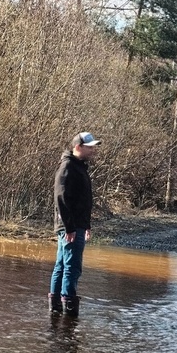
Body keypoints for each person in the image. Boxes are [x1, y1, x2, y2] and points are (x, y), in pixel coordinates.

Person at [48, 131, 101, 317]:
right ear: (78, 147)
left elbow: (82, 201)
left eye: (94, 147)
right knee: (72, 268)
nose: (93, 150)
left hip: (76, 225)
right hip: (70, 227)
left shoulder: (79, 166)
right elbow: (61, 199)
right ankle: (68, 312)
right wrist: (69, 228)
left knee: (62, 266)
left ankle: (56, 310)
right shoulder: (68, 167)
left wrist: (86, 225)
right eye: (90, 147)